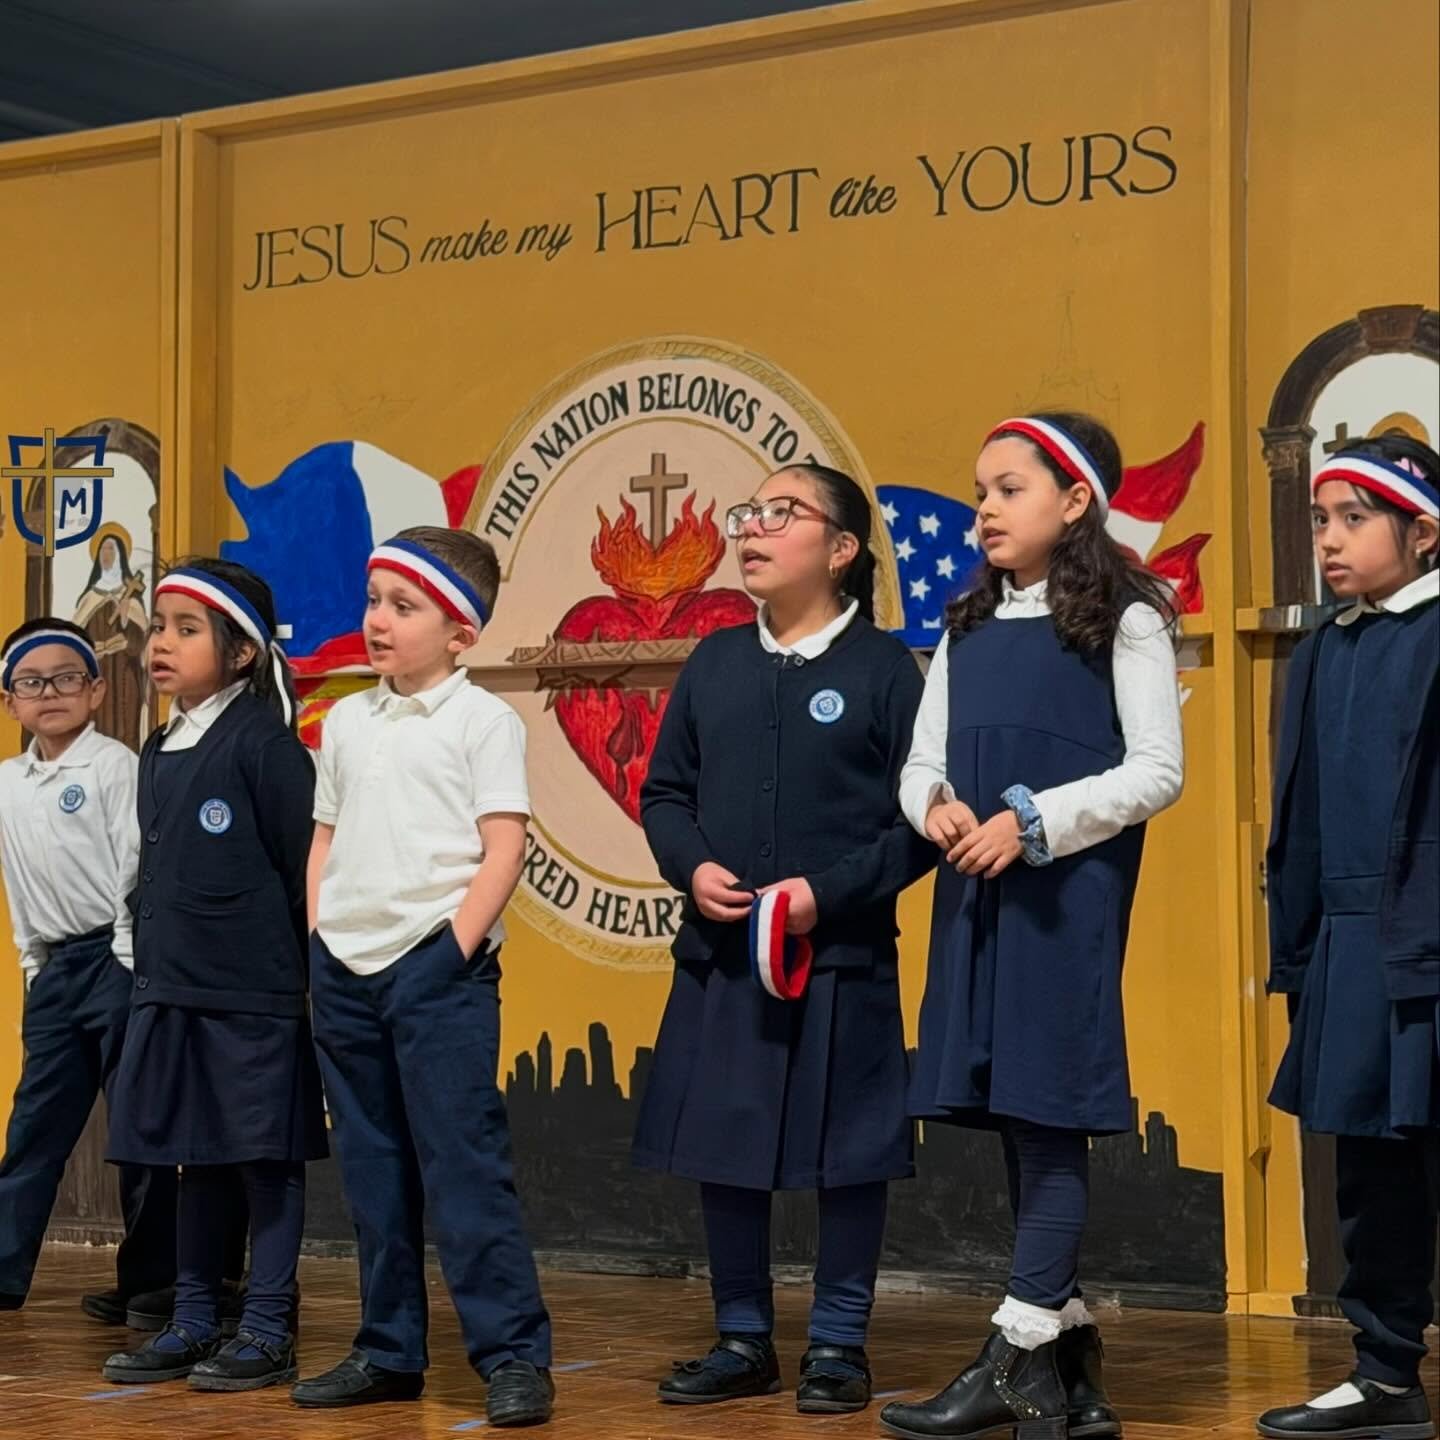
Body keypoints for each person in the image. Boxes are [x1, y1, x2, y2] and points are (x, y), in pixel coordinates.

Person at [881, 414, 1183, 1440]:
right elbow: (921, 763)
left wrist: (1036, 823)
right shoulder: (965, 626)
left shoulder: (1128, 619)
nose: (983, 511)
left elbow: (1155, 771)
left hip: (1063, 900)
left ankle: (1013, 1357)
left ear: (1075, 500)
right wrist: (941, 811)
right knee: (1013, 1112)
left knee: (1050, 1112)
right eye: (978, 492)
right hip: (976, 888)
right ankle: (1069, 1353)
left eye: (1007, 489)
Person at [635, 464, 934, 1416]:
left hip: (840, 960)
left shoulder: (888, 671)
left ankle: (840, 1344)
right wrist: (691, 868)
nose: (753, 530)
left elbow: (918, 824)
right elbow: (665, 793)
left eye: (781, 513)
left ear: (842, 550)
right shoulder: (716, 662)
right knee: (727, 1145)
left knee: (849, 1154)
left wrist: (826, 895)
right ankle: (742, 1337)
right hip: (724, 958)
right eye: (748, 513)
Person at [295, 527, 554, 1428]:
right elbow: (325, 835)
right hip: (347, 969)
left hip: (434, 973)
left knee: (463, 1168)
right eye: (374, 601)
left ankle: (513, 1354)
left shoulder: (482, 720)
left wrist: (453, 949)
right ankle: (387, 1347)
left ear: (460, 632)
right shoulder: (348, 720)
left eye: (404, 608)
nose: (378, 621)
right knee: (373, 1173)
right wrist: (320, 933)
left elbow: (505, 843)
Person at [101, 559, 325, 1391]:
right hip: (172, 991)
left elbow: (305, 869)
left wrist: (308, 991)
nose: (161, 642)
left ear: (239, 654)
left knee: (264, 1164)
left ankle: (266, 1325)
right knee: (192, 1157)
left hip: (252, 1000)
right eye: (159, 626)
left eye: (186, 629)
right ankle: (194, 1318)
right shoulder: (159, 748)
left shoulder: (266, 747)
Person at [1257, 435, 1439, 1440]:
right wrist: (1302, 949)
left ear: (1423, 532)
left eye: (1355, 519)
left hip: (1433, 939)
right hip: (1354, 943)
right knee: (1372, 1174)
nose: (1328, 539)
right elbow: (1306, 815)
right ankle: (1384, 1374)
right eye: (1321, 519)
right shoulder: (1326, 646)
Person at [0, 619, 173, 1315]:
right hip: (55, 971)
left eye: (66, 678)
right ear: (11, 700)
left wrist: (128, 960)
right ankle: (6, 1271)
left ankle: (152, 1282)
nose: (50, 693)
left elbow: (136, 867)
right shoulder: (8, 782)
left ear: (97, 689)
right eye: (30, 683)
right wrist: (31, 960)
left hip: (116, 958)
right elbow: (17, 880)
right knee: (33, 1127)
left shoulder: (113, 766)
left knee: (137, 1126)